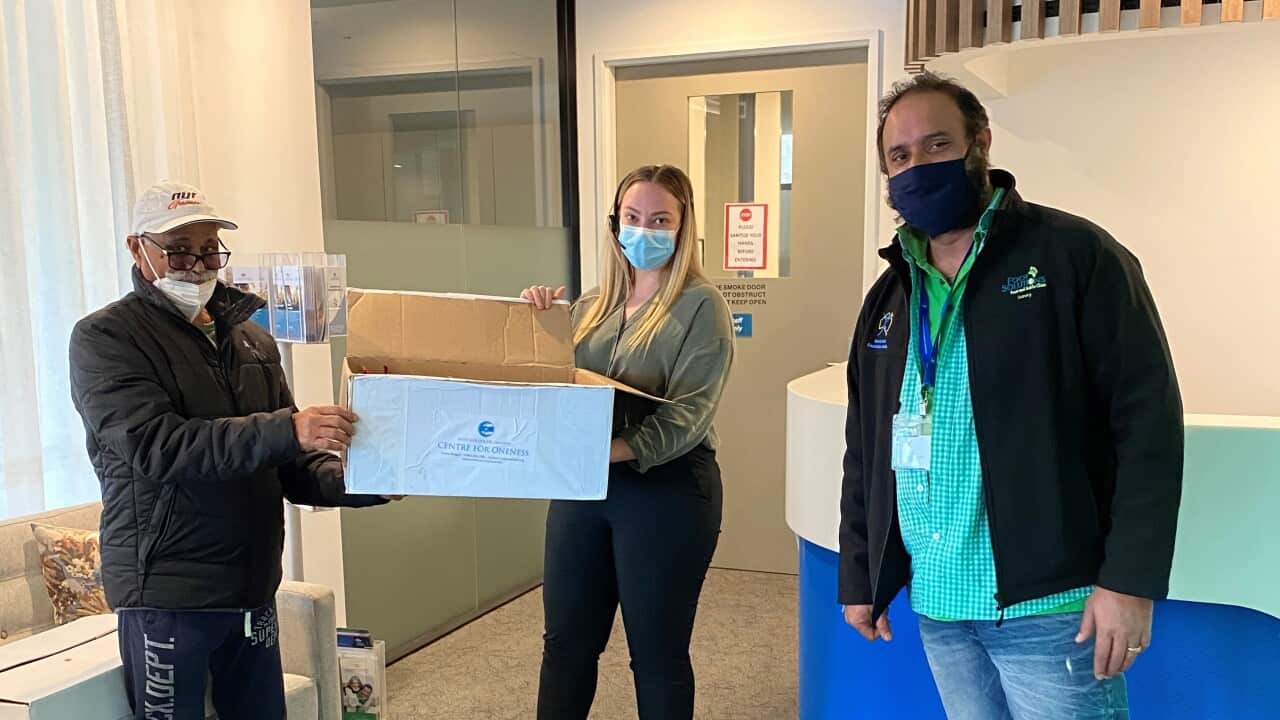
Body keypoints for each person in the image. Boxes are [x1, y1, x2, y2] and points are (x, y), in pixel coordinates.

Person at [839, 73, 1183, 719]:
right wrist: (862, 574)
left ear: (980, 142)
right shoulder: (890, 297)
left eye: (937, 145)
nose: (917, 167)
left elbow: (1147, 425)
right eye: (899, 156)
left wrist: (1129, 581)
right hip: (939, 602)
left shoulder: (1074, 256)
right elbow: (866, 449)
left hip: (1052, 606)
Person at [69, 182, 390, 720]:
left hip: (251, 587)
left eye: (209, 247)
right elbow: (158, 446)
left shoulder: (253, 340)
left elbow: (293, 469)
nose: (197, 264)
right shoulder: (105, 338)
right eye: (179, 248)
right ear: (136, 248)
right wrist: (290, 428)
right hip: (168, 595)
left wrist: (379, 475)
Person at [522, 164, 734, 720]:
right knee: (565, 645)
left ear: (684, 227)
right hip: (582, 488)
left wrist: (607, 451)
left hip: (666, 490)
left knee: (657, 656)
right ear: (615, 223)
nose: (645, 230)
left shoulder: (701, 305)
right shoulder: (591, 304)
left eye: (661, 219)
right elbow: (550, 384)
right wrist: (538, 323)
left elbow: (689, 415)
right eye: (633, 218)